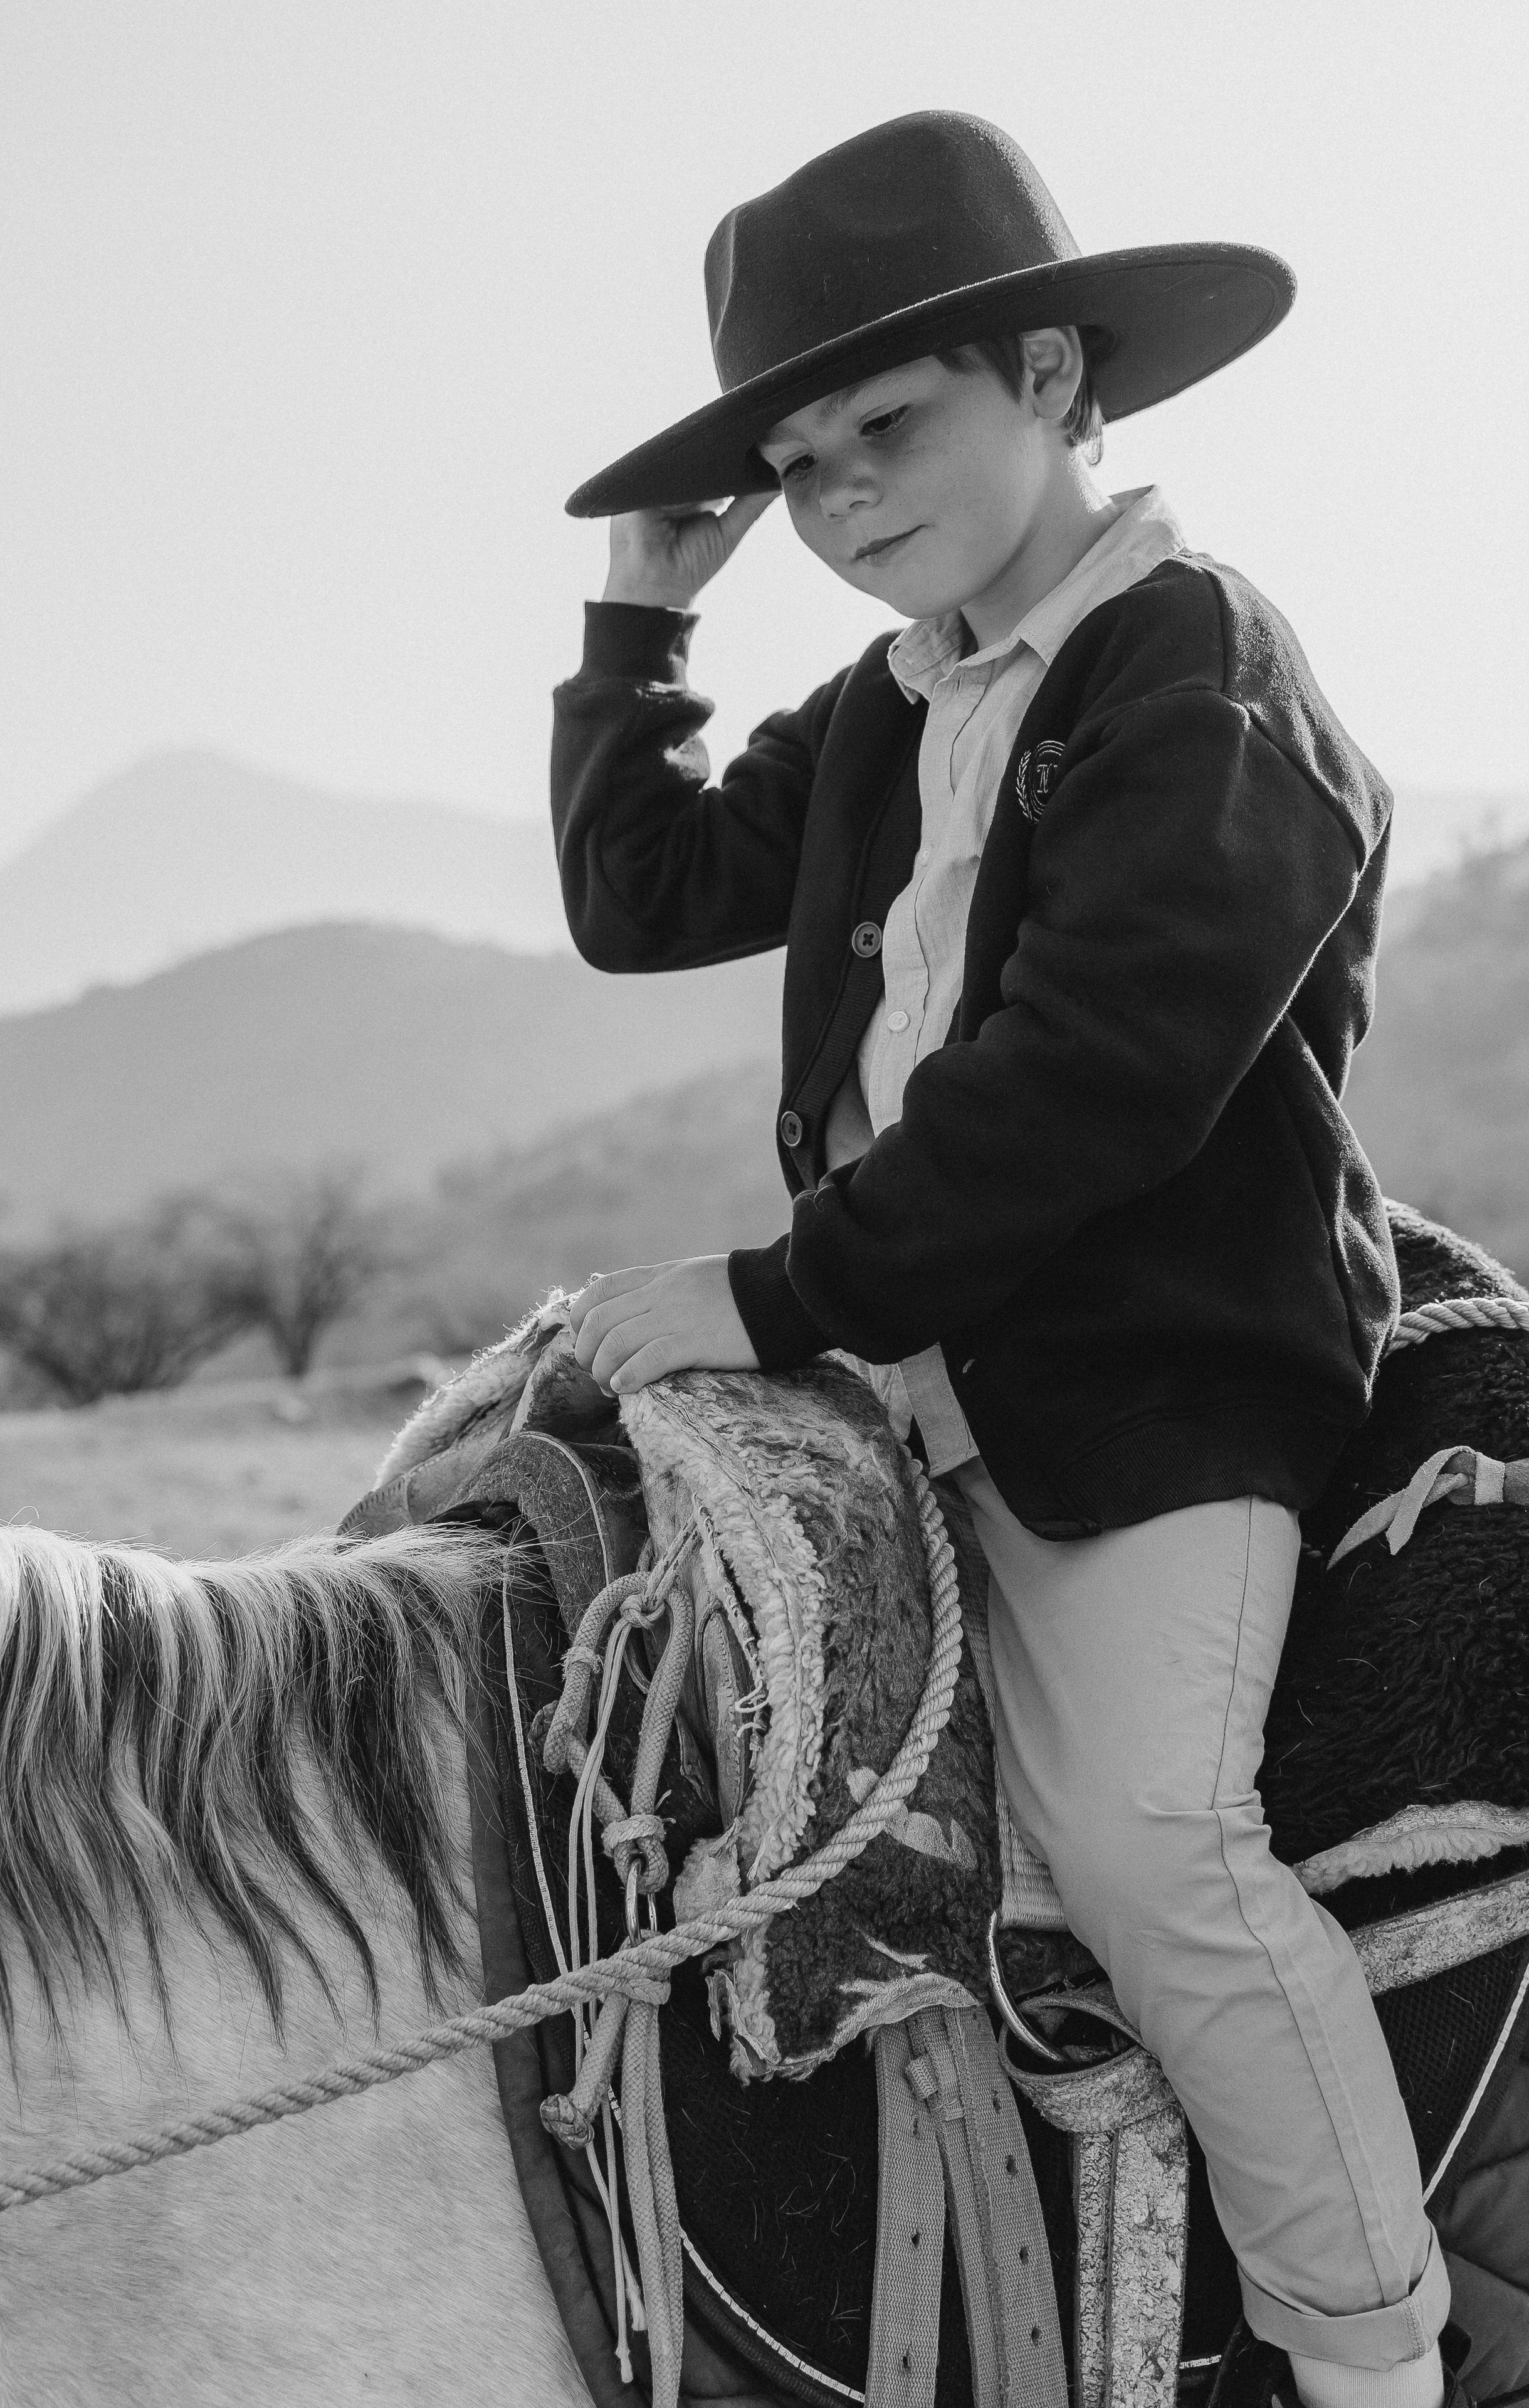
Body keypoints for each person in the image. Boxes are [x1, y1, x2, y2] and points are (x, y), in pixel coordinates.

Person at [551, 112, 1460, 2408]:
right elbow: (641, 895)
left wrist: (768, 1296)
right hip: (906, 1384)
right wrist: (644, 608)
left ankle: (1375, 2356)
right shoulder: (888, 705)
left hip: (1152, 1389)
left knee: (1157, 1849)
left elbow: (1097, 1077)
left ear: (1055, 376)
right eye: (802, 460)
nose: (847, 494)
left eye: (893, 424)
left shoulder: (1198, 673)